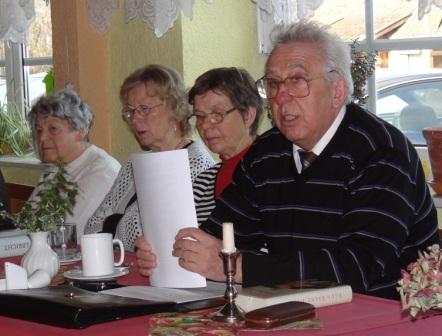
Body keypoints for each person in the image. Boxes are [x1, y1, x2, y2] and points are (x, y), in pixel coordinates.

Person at [138, 21, 439, 299]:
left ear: (337, 91)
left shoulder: (381, 153)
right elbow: (221, 234)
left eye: (297, 81)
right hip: (296, 309)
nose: (281, 97)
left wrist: (237, 267)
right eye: (273, 83)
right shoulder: (267, 154)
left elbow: (359, 268)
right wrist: (176, 252)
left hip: (382, 316)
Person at [134, 67, 263, 264]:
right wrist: (153, 254)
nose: (205, 126)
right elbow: (182, 245)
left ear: (248, 115)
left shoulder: (271, 173)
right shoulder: (204, 180)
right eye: (200, 117)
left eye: (217, 114)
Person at [85, 64, 214, 251]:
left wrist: (112, 223)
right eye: (130, 111)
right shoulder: (133, 164)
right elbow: (91, 229)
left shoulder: (195, 167)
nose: (135, 120)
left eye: (144, 109)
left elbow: (154, 241)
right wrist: (119, 228)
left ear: (174, 108)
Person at [27, 87, 121, 240]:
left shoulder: (101, 172)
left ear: (80, 131)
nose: (42, 138)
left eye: (53, 129)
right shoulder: (55, 170)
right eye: (39, 130)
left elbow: (66, 236)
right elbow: (27, 223)